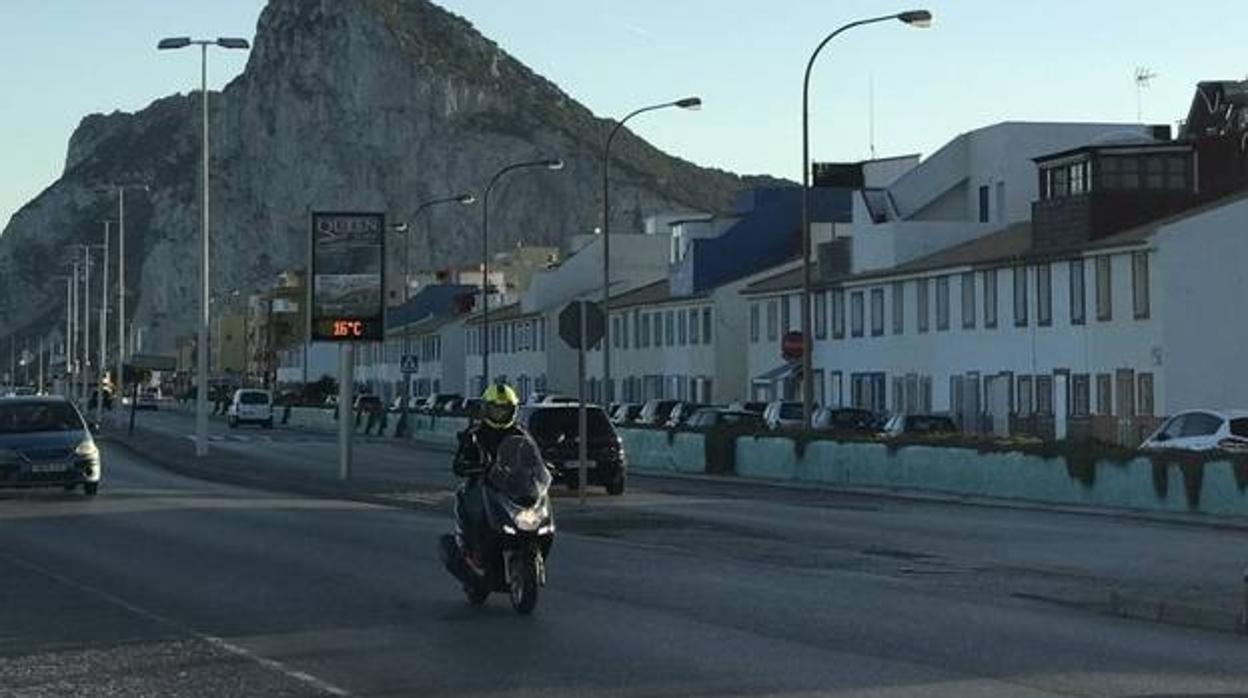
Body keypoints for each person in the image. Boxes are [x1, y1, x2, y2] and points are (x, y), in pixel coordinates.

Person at [451, 381, 525, 574]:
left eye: (504, 409)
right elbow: (458, 463)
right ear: (487, 409)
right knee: (477, 509)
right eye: (496, 409)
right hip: (482, 483)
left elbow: (534, 455)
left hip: (510, 487)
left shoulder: (520, 433)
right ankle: (474, 552)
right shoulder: (474, 433)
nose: (500, 414)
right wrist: (470, 466)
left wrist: (544, 466)